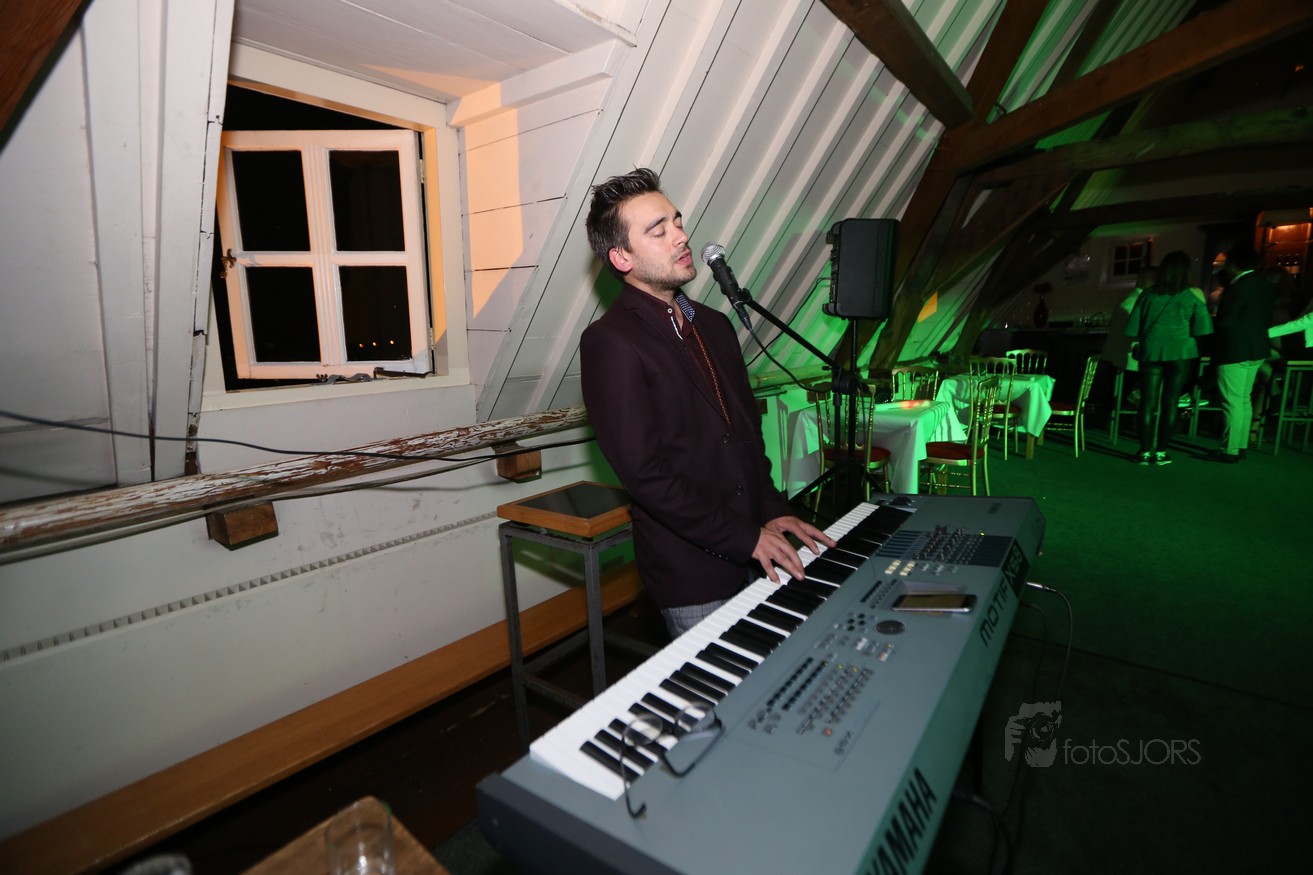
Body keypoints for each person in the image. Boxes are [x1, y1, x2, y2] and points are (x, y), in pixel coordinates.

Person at [578, 168, 833, 638]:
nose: (681, 236)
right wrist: (745, 536)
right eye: (658, 231)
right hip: (694, 574)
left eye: (677, 222)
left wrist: (772, 509)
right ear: (621, 257)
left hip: (760, 547)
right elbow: (646, 476)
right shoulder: (610, 342)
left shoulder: (714, 324)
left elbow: (746, 435)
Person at [1124, 250, 1213, 466]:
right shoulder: (1193, 296)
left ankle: (1144, 451)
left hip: (1151, 351)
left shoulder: (1148, 295)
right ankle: (1162, 452)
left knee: (1147, 402)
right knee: (1171, 402)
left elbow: (1132, 328)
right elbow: (1204, 329)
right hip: (1181, 353)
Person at [1208, 249, 1278, 462]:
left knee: (1232, 401)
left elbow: (1226, 322)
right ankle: (1240, 445)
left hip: (1234, 349)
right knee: (1244, 398)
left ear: (1233, 265)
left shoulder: (1237, 287)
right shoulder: (1266, 285)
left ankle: (1229, 449)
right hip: (1257, 347)